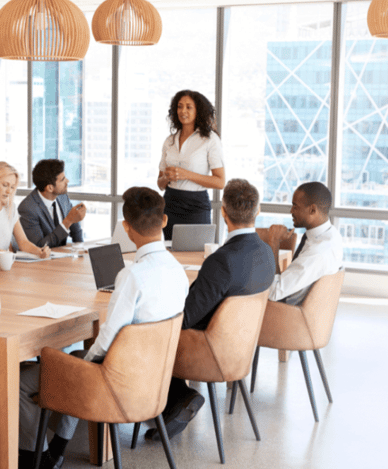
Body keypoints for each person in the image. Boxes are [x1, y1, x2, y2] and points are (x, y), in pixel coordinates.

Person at [18, 187, 189, 469]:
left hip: (117, 382)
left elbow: (108, 338)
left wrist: (84, 363)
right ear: (165, 221)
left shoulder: (132, 275)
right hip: (154, 379)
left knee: (26, 379)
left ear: (125, 227)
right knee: (79, 361)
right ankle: (56, 450)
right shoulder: (178, 271)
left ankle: (33, 460)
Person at [145, 179, 275, 442]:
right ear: (257, 211)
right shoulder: (266, 253)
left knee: (145, 330)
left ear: (223, 212)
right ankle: (176, 398)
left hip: (206, 348)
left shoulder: (221, 261)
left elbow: (187, 317)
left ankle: (178, 397)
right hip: (239, 348)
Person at [157, 90, 226, 240]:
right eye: (180, 106)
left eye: (189, 107)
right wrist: (166, 178)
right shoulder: (169, 141)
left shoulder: (210, 139)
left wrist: (185, 174)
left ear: (198, 111)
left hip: (196, 206)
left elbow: (220, 182)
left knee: (196, 254)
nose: (183, 111)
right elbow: (160, 183)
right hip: (170, 204)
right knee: (171, 253)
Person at [266, 181, 343, 305]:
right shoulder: (331, 234)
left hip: (283, 311)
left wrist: (274, 242)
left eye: (295, 206)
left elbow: (273, 293)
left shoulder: (317, 252)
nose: (291, 211)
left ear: (312, 210)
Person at [18, 159, 85, 248]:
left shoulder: (62, 196)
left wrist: (81, 249)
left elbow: (75, 226)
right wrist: (67, 221)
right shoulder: (27, 208)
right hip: (42, 260)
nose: (67, 181)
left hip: (63, 256)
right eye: (63, 179)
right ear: (50, 188)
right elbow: (39, 246)